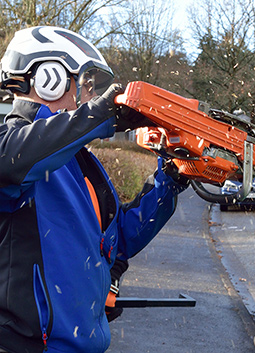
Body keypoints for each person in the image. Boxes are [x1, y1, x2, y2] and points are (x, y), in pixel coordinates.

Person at [0, 26, 189, 353]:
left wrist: (171, 177)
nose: (90, 94)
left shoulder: (80, 161)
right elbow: (14, 159)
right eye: (85, 83)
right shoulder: (14, 147)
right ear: (48, 79)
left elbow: (119, 240)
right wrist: (101, 115)